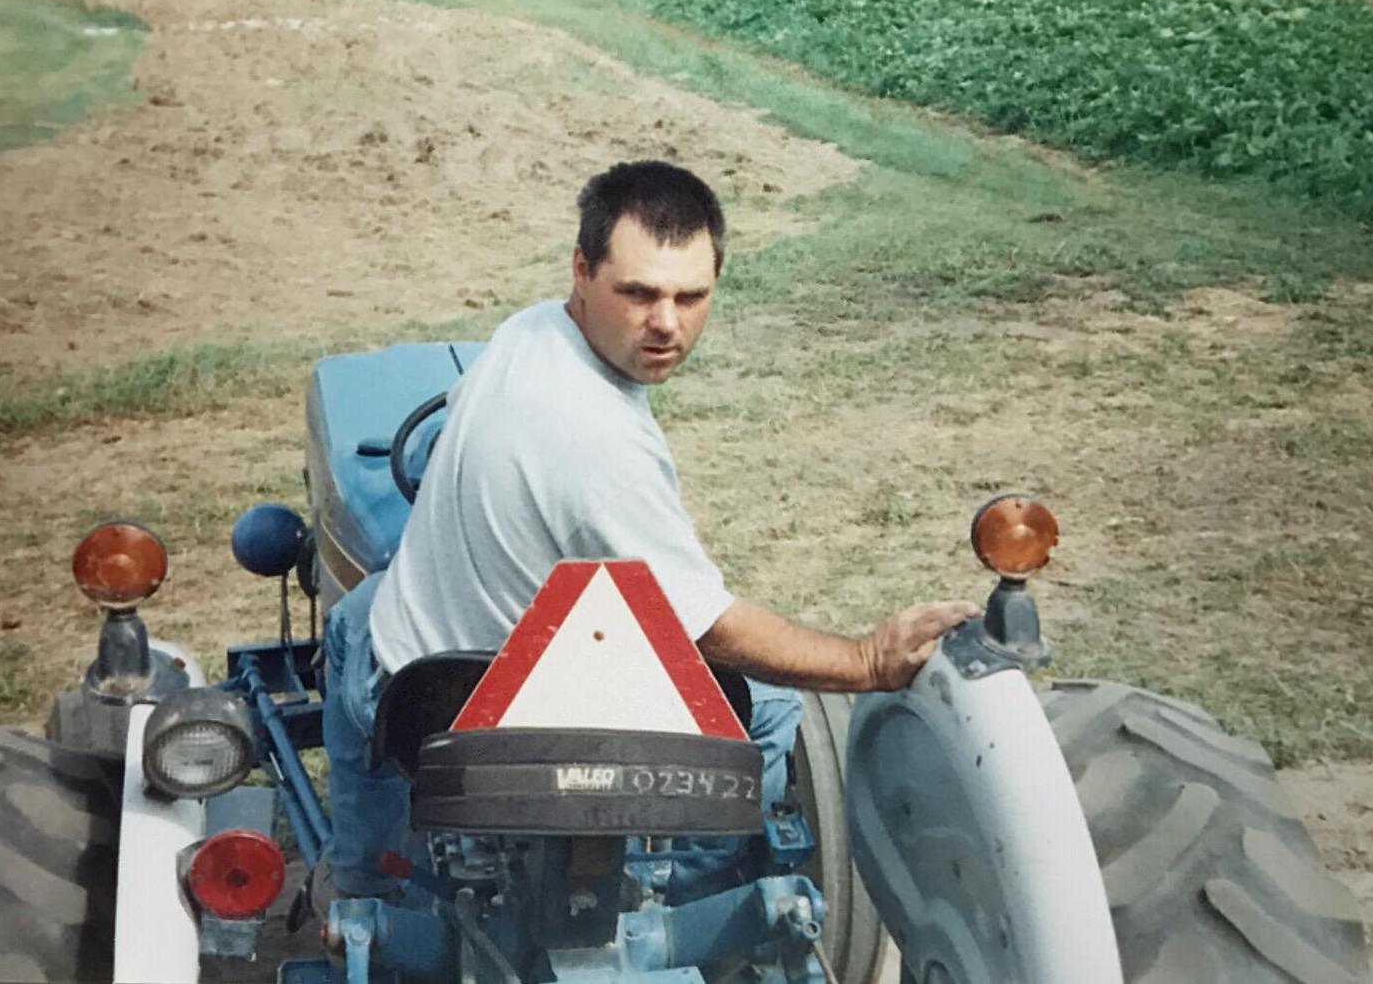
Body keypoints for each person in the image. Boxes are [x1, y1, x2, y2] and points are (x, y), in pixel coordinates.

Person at [320, 160, 978, 899]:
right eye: (638, 294)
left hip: (412, 692)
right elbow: (705, 627)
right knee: (773, 709)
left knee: (355, 615)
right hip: (510, 732)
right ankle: (660, 894)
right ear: (582, 270)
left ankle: (359, 879)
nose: (666, 323)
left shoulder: (525, 332)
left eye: (690, 296)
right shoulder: (602, 449)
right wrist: (865, 660)